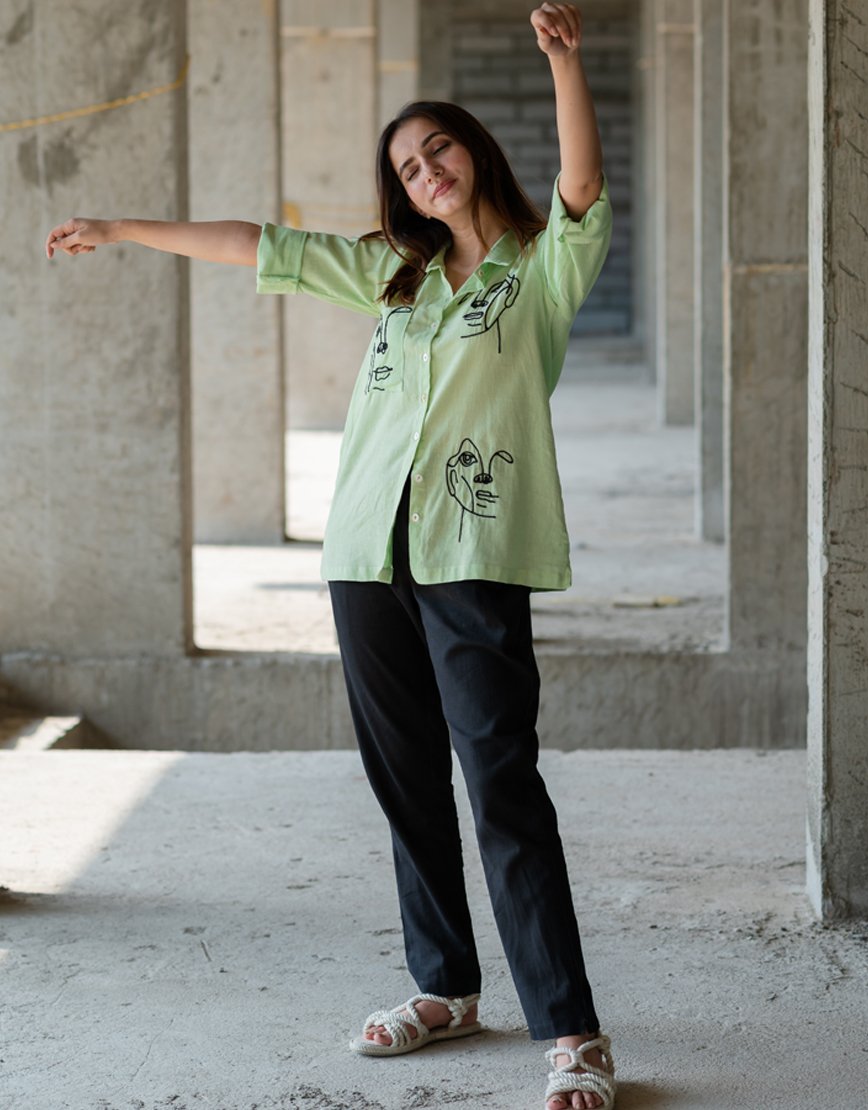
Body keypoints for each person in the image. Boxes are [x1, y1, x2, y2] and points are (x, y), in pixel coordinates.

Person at [46, 4, 615, 1106]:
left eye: (438, 146)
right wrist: (123, 228)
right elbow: (259, 245)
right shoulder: (389, 278)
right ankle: (444, 989)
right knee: (404, 781)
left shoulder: (542, 269)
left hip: (475, 555)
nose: (425, 170)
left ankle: (574, 1031)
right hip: (366, 555)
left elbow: (583, 181)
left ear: (473, 151)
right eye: (406, 166)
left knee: (500, 783)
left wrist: (564, 61)